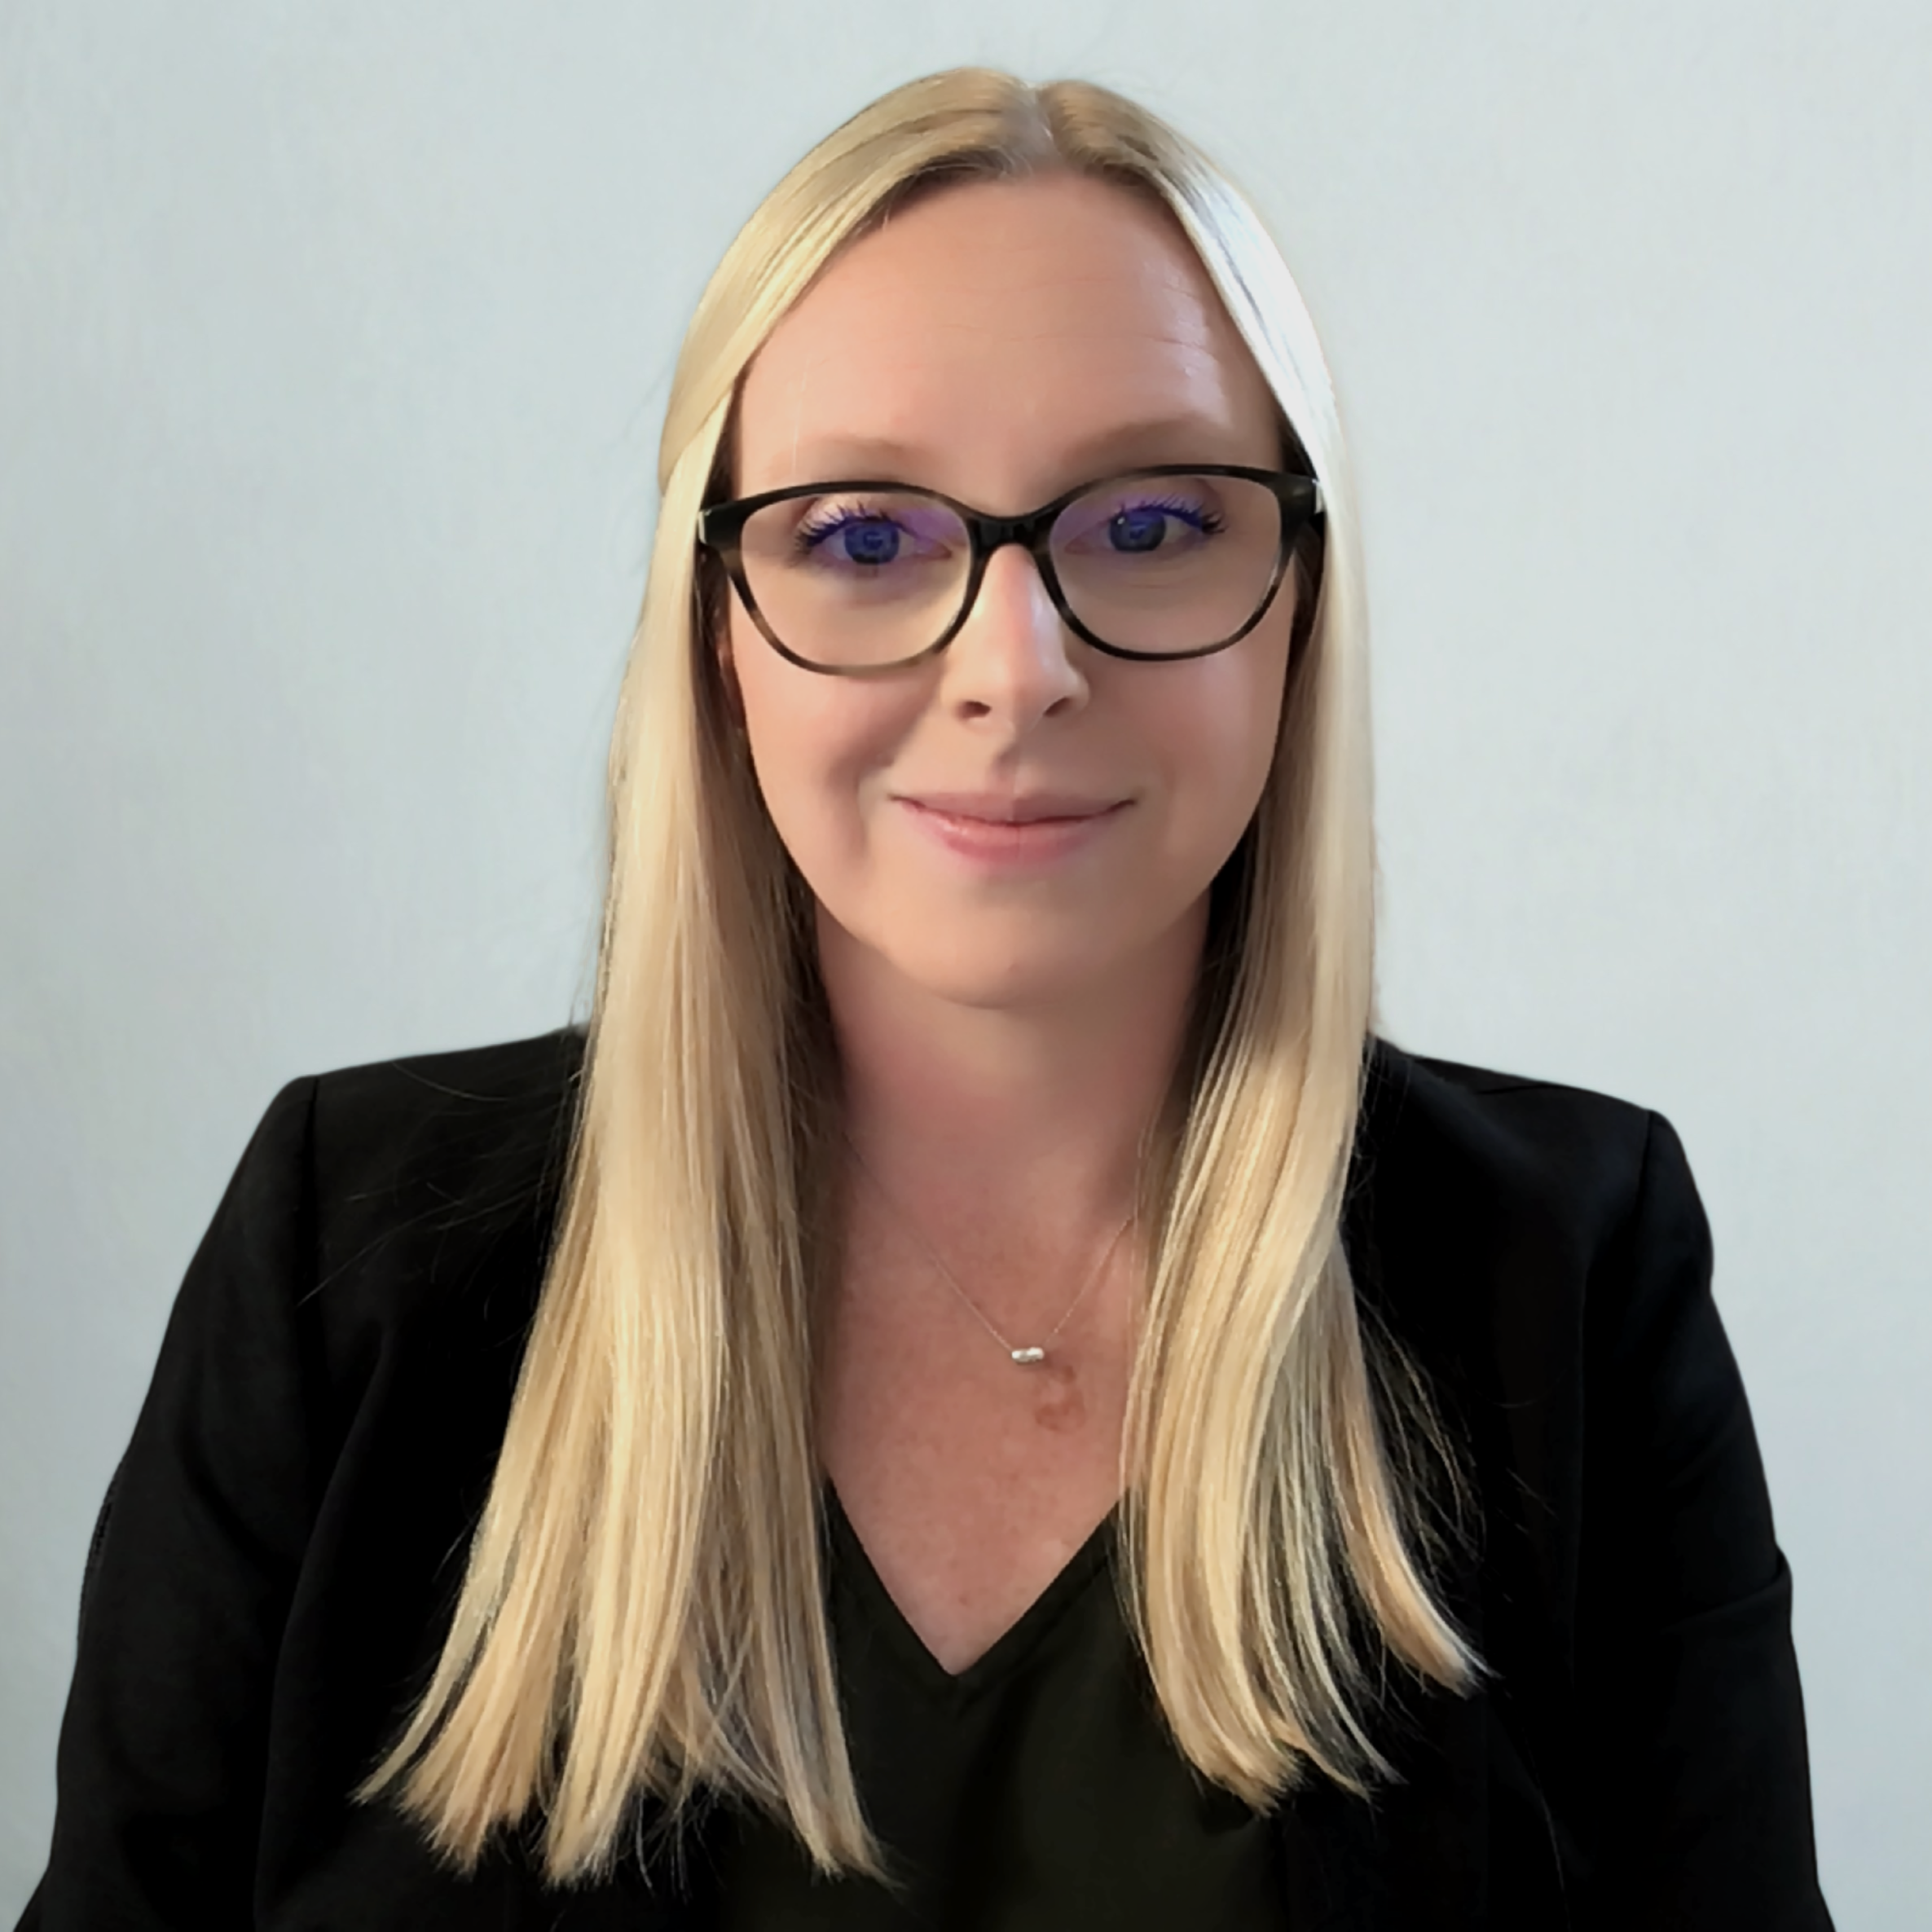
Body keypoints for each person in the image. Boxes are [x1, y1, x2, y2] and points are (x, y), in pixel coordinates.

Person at [19, 68, 1831, 1931]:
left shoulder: (1572, 1286)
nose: (1014, 669)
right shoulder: (348, 1260)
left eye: (1152, 524)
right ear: (718, 636)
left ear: (1300, 604)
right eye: (865, 540)